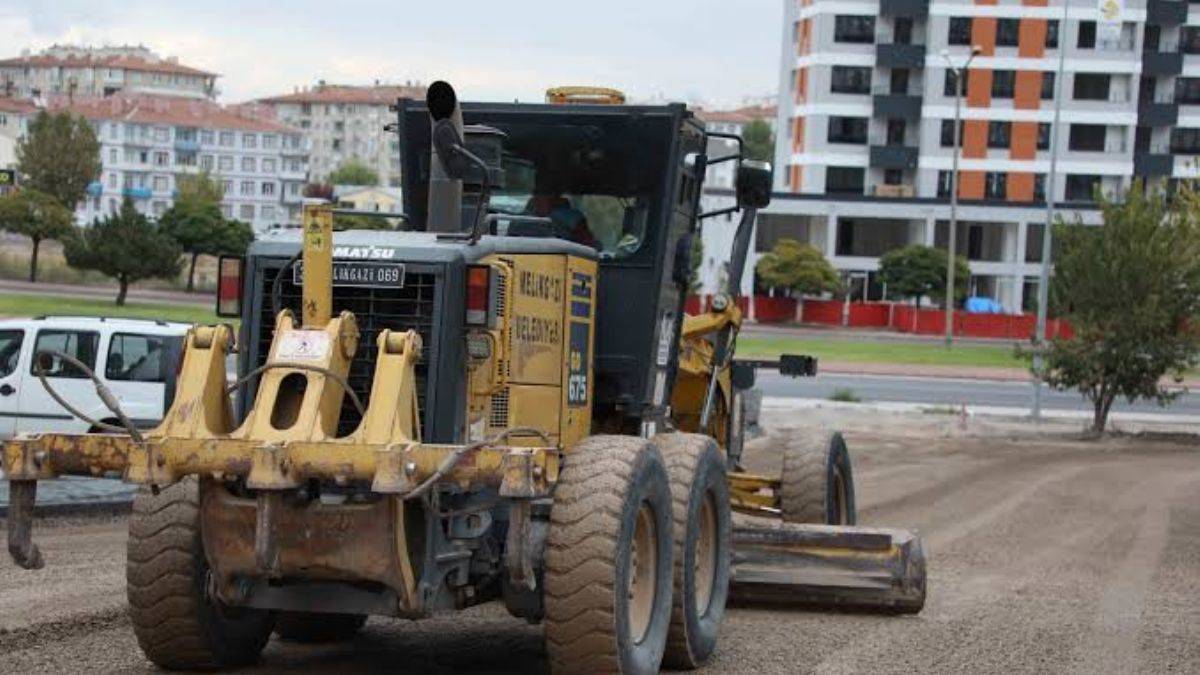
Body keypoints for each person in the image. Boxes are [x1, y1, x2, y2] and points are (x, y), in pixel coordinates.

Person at [525, 193, 599, 249]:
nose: (539, 201)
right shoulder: (520, 222)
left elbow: (591, 248)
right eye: (538, 194)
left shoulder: (572, 220)